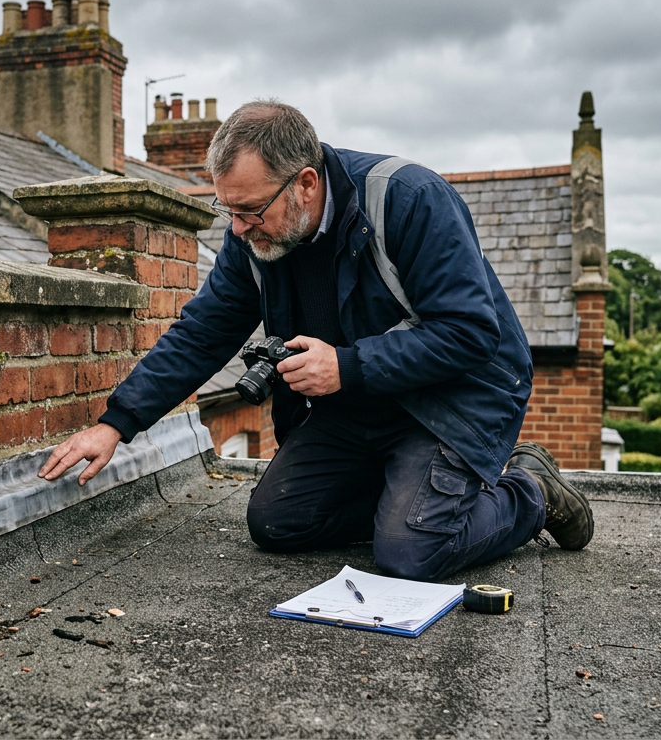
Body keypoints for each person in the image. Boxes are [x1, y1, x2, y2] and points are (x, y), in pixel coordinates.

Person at [39, 100, 594, 582]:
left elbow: (471, 333)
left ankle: (531, 492)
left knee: (410, 553)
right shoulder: (252, 237)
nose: (237, 228)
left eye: (251, 210)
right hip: (359, 402)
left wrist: (348, 367)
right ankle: (412, 497)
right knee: (277, 522)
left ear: (305, 182)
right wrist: (117, 423)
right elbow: (203, 332)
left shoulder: (409, 199)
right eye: (227, 210)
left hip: (450, 399)